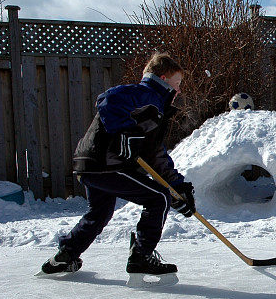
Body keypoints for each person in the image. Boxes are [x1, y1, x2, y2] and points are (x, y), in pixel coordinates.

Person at [41, 52, 196, 283]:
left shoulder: (154, 107)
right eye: (177, 83)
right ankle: (141, 257)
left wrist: (177, 186)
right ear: (163, 79)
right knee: (158, 198)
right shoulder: (148, 95)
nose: (179, 90)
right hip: (107, 164)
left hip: (92, 165)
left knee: (99, 212)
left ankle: (66, 255)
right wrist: (125, 133)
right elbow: (108, 99)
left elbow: (154, 153)